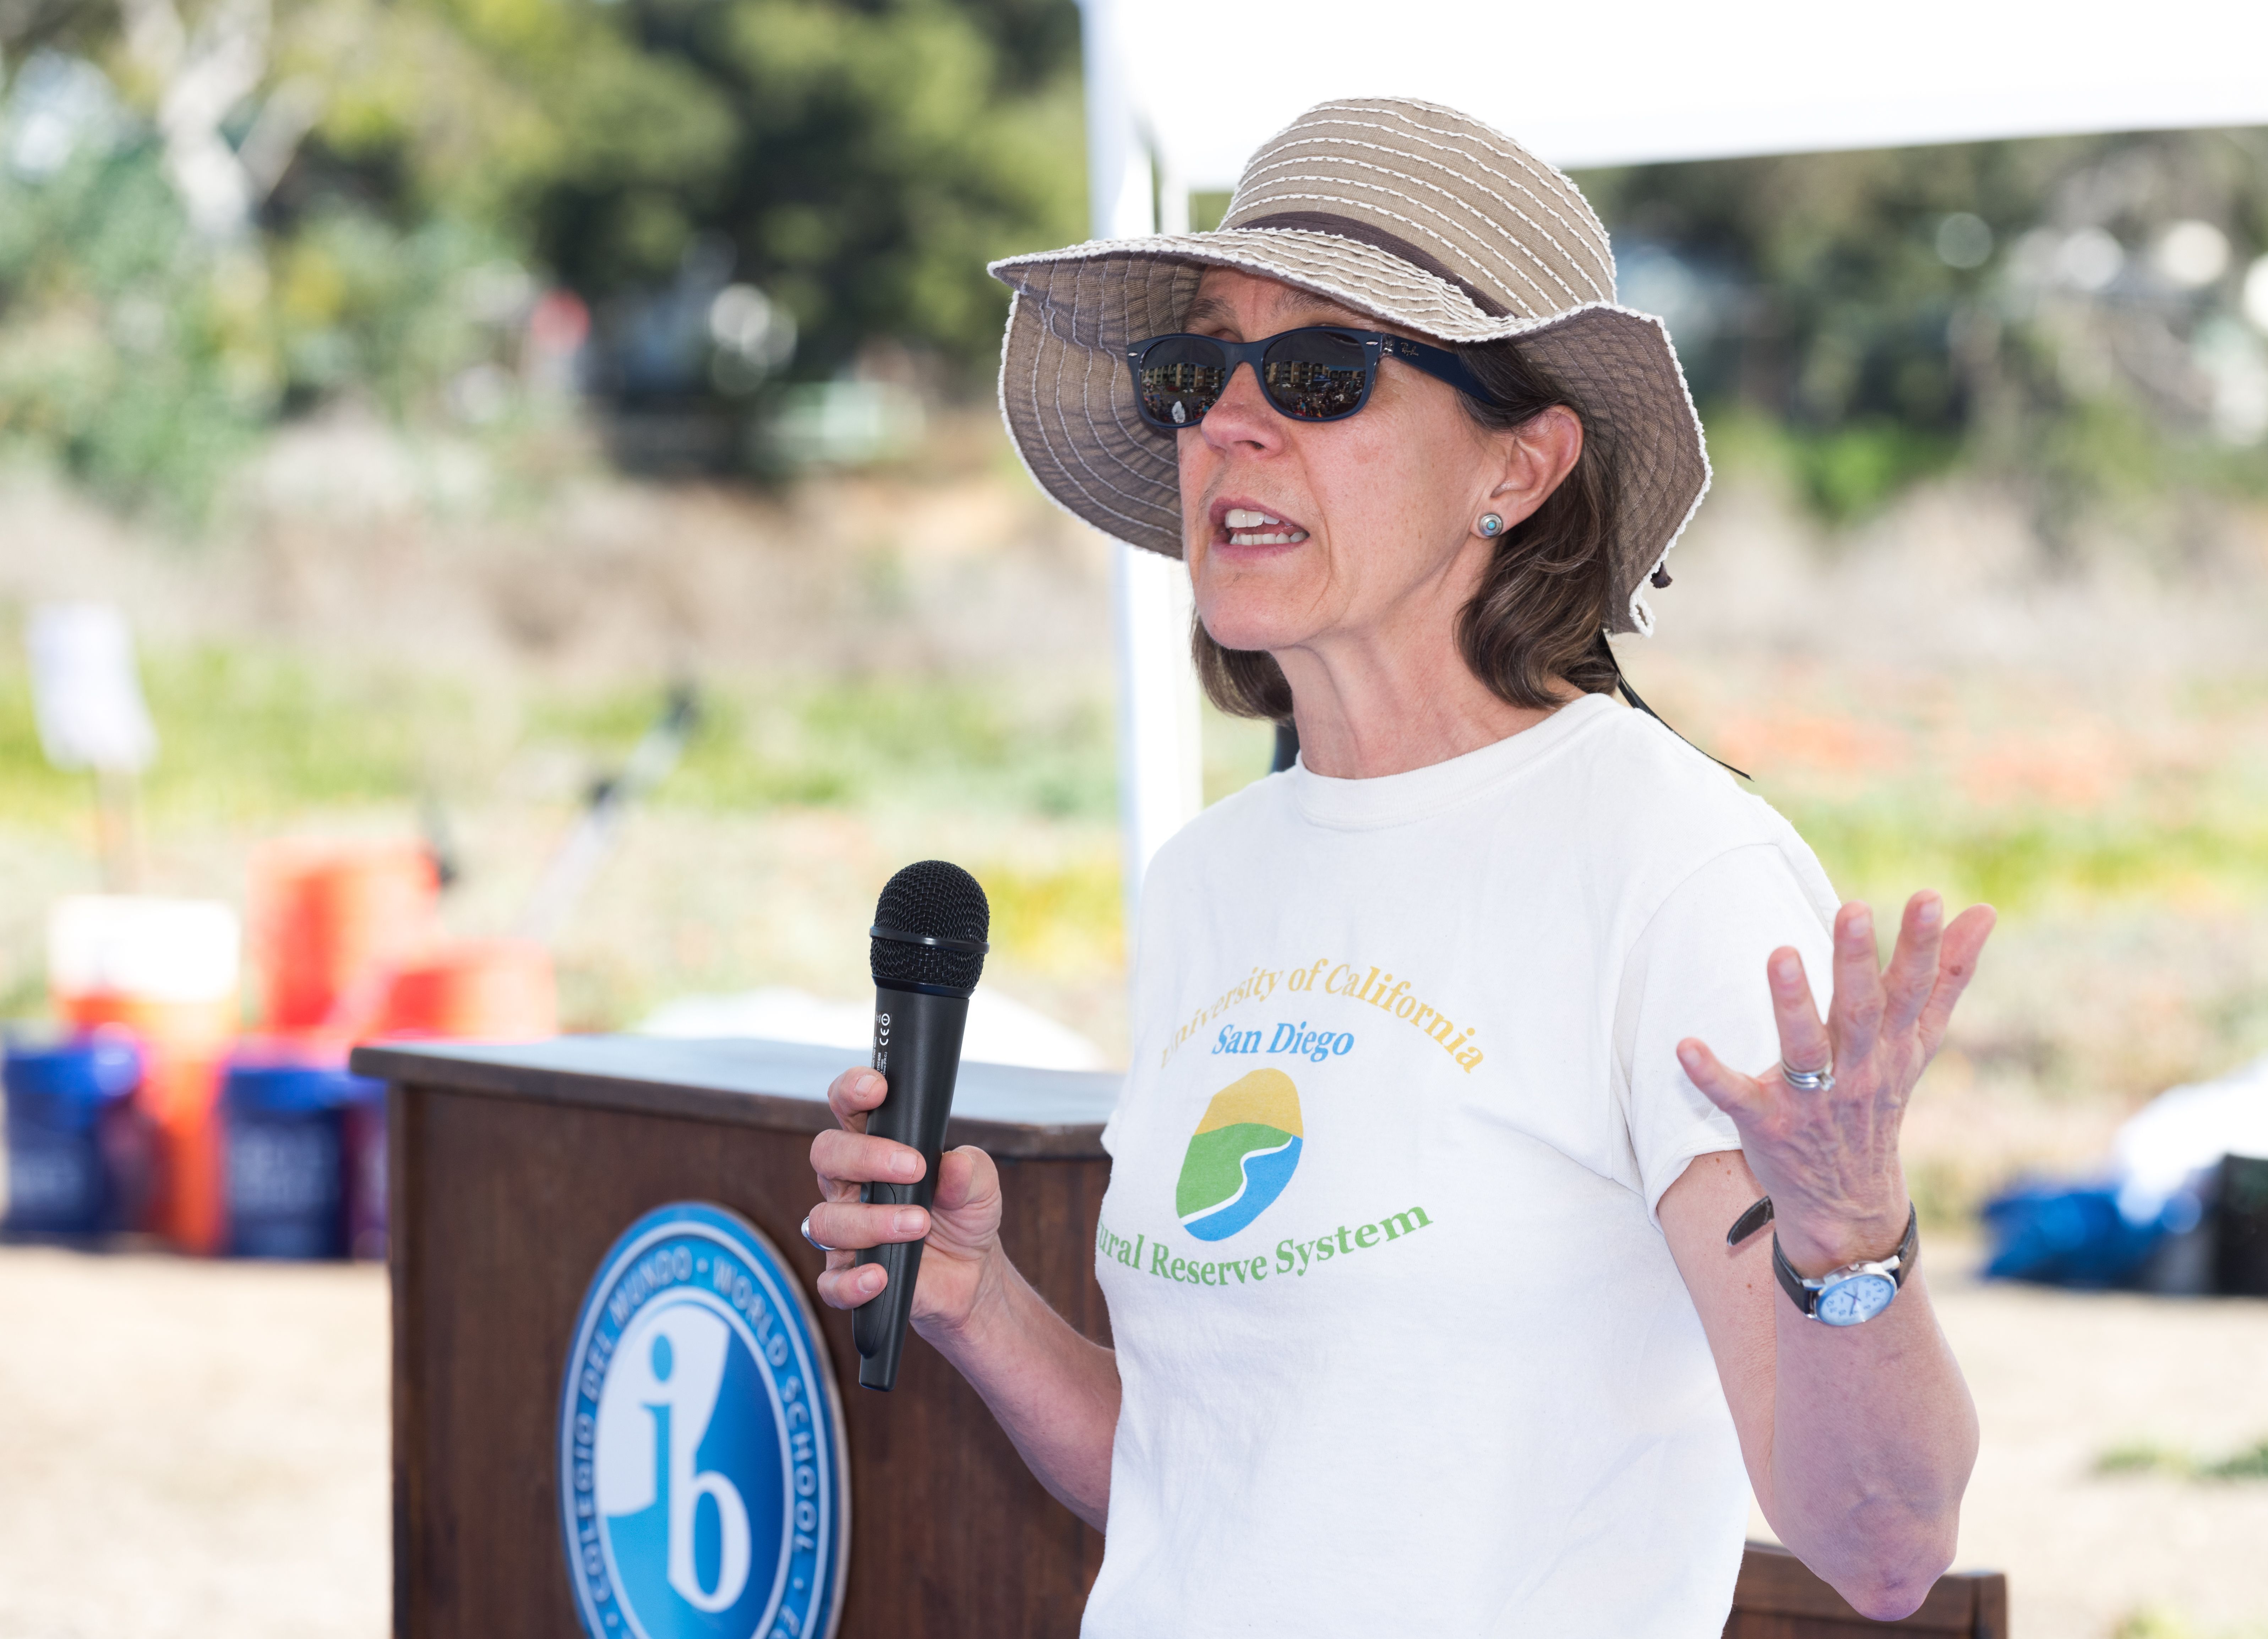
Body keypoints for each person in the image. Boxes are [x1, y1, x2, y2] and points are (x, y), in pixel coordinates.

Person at [801, 96, 1994, 1638]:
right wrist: (974, 1298)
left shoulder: (1668, 869)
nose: (1230, 421)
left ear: (1520, 462)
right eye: (1194, 371)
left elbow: (1882, 1549)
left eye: (1318, 372)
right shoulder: (1208, 878)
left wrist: (1848, 1246)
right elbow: (1214, 1498)